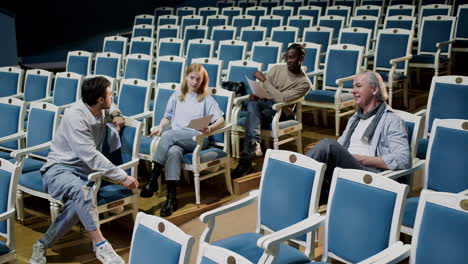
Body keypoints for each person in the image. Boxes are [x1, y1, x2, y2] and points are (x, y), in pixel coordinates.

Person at [29, 76, 139, 264]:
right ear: (99, 99)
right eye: (110, 94)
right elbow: (90, 155)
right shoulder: (75, 117)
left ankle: (41, 244)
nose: (113, 96)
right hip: (59, 170)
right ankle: (100, 244)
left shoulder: (99, 107)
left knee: (76, 206)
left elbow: (112, 106)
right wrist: (122, 177)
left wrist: (117, 113)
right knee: (83, 191)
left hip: (84, 174)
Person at [306, 71, 411, 205]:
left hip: (367, 175)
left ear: (373, 90)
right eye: (353, 87)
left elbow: (403, 159)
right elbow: (341, 146)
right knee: (314, 183)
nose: (353, 91)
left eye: (358, 86)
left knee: (328, 145)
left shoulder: (392, 120)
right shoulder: (355, 119)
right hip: (344, 171)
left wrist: (360, 159)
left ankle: (292, 184)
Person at [140, 63, 225, 217]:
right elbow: (167, 117)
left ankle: (153, 178)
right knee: (173, 151)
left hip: (197, 138)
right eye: (191, 78)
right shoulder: (177, 94)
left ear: (202, 81)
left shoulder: (206, 98)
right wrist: (160, 126)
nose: (194, 82)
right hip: (177, 138)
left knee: (168, 135)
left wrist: (210, 129)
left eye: (198, 79)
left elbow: (221, 120)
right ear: (186, 77)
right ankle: (171, 199)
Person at [231, 43, 312, 178]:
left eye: (292, 57)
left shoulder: (305, 83)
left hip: (281, 111)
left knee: (253, 110)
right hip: (265, 103)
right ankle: (252, 150)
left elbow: (282, 99)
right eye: (287, 57)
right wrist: (257, 93)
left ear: (301, 58)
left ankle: (247, 158)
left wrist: (264, 80)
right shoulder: (277, 69)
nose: (288, 61)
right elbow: (266, 89)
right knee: (253, 104)